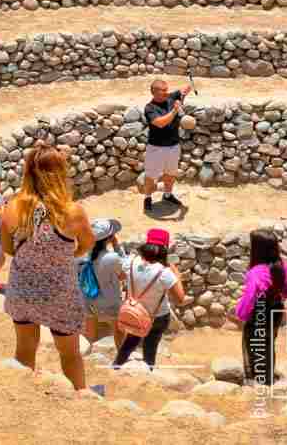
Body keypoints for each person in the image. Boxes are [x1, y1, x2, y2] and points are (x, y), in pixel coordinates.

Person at [1, 144, 95, 390]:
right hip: (59, 294)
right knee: (70, 354)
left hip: (23, 290)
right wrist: (63, 256)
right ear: (60, 173)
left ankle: (23, 395)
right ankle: (80, 399)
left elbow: (9, 249)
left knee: (24, 349)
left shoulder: (12, 208)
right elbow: (86, 244)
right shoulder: (72, 212)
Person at [234, 229, 287, 385]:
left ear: (257, 249)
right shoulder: (285, 267)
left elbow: (249, 299)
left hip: (259, 313)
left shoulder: (256, 272)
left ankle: (259, 383)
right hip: (276, 310)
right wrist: (278, 292)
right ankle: (268, 377)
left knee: (254, 346)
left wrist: (240, 314)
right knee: (268, 343)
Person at [113, 228, 185, 369]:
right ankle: (148, 372)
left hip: (133, 311)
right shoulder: (165, 272)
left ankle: (116, 366)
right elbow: (180, 299)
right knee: (150, 346)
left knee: (130, 340)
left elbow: (120, 277)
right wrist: (177, 275)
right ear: (164, 248)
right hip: (156, 316)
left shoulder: (131, 261)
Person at [143, 79, 191, 213]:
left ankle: (168, 195)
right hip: (156, 148)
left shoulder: (170, 97)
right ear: (154, 93)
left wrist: (186, 89)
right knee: (151, 177)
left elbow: (183, 91)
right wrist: (175, 111)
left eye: (166, 90)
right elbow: (160, 123)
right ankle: (147, 197)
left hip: (173, 146)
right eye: (163, 91)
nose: (166, 93)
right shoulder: (149, 108)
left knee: (170, 174)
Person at [81, 218, 127, 350]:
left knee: (88, 333)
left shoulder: (82, 254)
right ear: (108, 239)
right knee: (119, 333)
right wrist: (117, 246)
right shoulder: (112, 258)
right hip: (109, 303)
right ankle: (121, 359)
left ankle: (87, 355)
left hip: (87, 300)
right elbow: (123, 274)